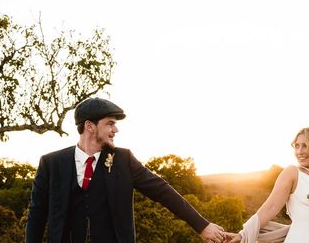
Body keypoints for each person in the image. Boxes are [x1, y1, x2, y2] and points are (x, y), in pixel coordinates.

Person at [25, 97, 228, 243]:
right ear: (90, 126)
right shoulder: (51, 163)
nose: (116, 130)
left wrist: (202, 225)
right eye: (110, 124)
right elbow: (37, 214)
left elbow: (162, 191)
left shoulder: (123, 160)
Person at [225, 127, 309, 243]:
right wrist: (243, 235)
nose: (299, 152)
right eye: (297, 146)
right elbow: (270, 208)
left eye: (305, 146)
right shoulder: (292, 173)